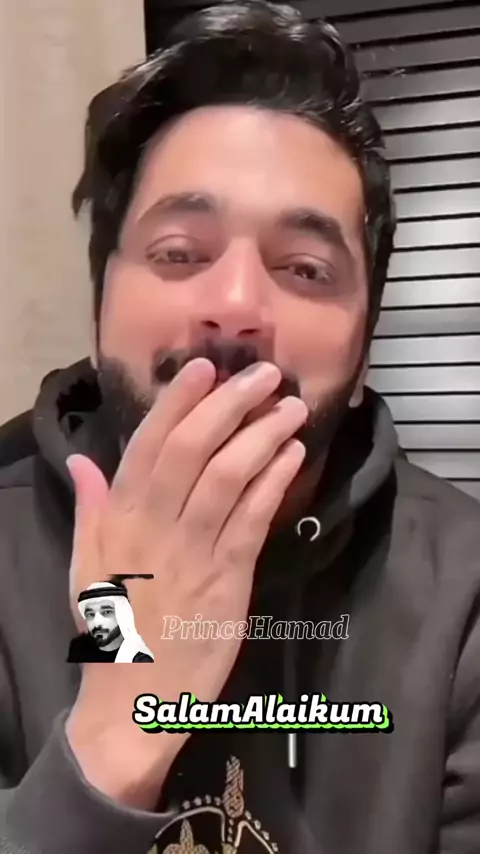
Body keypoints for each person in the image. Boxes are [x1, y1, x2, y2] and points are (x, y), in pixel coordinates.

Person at [0, 1, 479, 852]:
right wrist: (120, 727)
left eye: (305, 268)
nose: (235, 305)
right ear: (101, 303)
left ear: (365, 341)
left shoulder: (464, 589)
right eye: (180, 253)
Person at [68, 581, 154, 663]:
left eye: (107, 612)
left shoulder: (139, 659)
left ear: (122, 615)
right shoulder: (78, 654)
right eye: (90, 614)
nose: (97, 623)